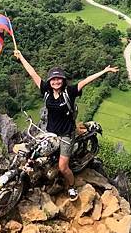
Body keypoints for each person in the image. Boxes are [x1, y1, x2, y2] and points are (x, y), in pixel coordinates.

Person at [14, 49, 118, 200]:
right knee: (34, 152)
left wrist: (104, 71)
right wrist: (21, 57)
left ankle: (71, 187)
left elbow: (87, 80)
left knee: (63, 167)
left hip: (66, 134)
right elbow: (32, 73)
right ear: (49, 81)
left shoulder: (69, 92)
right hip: (50, 132)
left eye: (59, 79)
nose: (56, 82)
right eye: (53, 79)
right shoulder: (46, 91)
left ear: (63, 80)